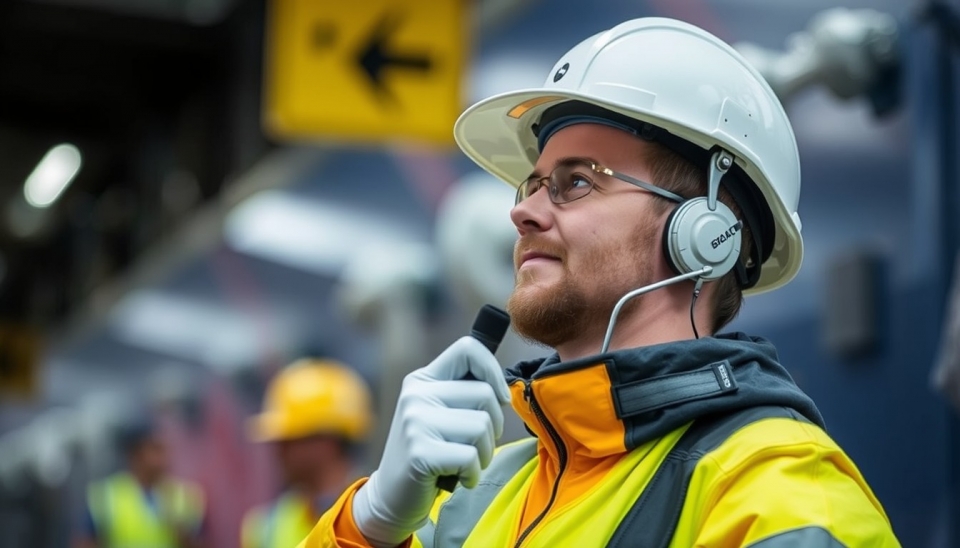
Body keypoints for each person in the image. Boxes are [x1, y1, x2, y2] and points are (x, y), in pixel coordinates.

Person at [300, 17, 901, 547]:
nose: (522, 212)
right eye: (532, 185)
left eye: (578, 182)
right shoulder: (474, 499)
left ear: (705, 230)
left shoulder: (775, 493)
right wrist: (371, 526)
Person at [242, 358, 374, 548]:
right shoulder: (266, 528)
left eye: (289, 438)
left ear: (326, 441)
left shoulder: (382, 514)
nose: (278, 450)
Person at [75, 419, 206, 548]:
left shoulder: (184, 496)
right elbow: (85, 542)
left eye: (165, 449)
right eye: (156, 449)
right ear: (135, 454)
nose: (164, 457)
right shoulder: (106, 496)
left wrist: (182, 533)